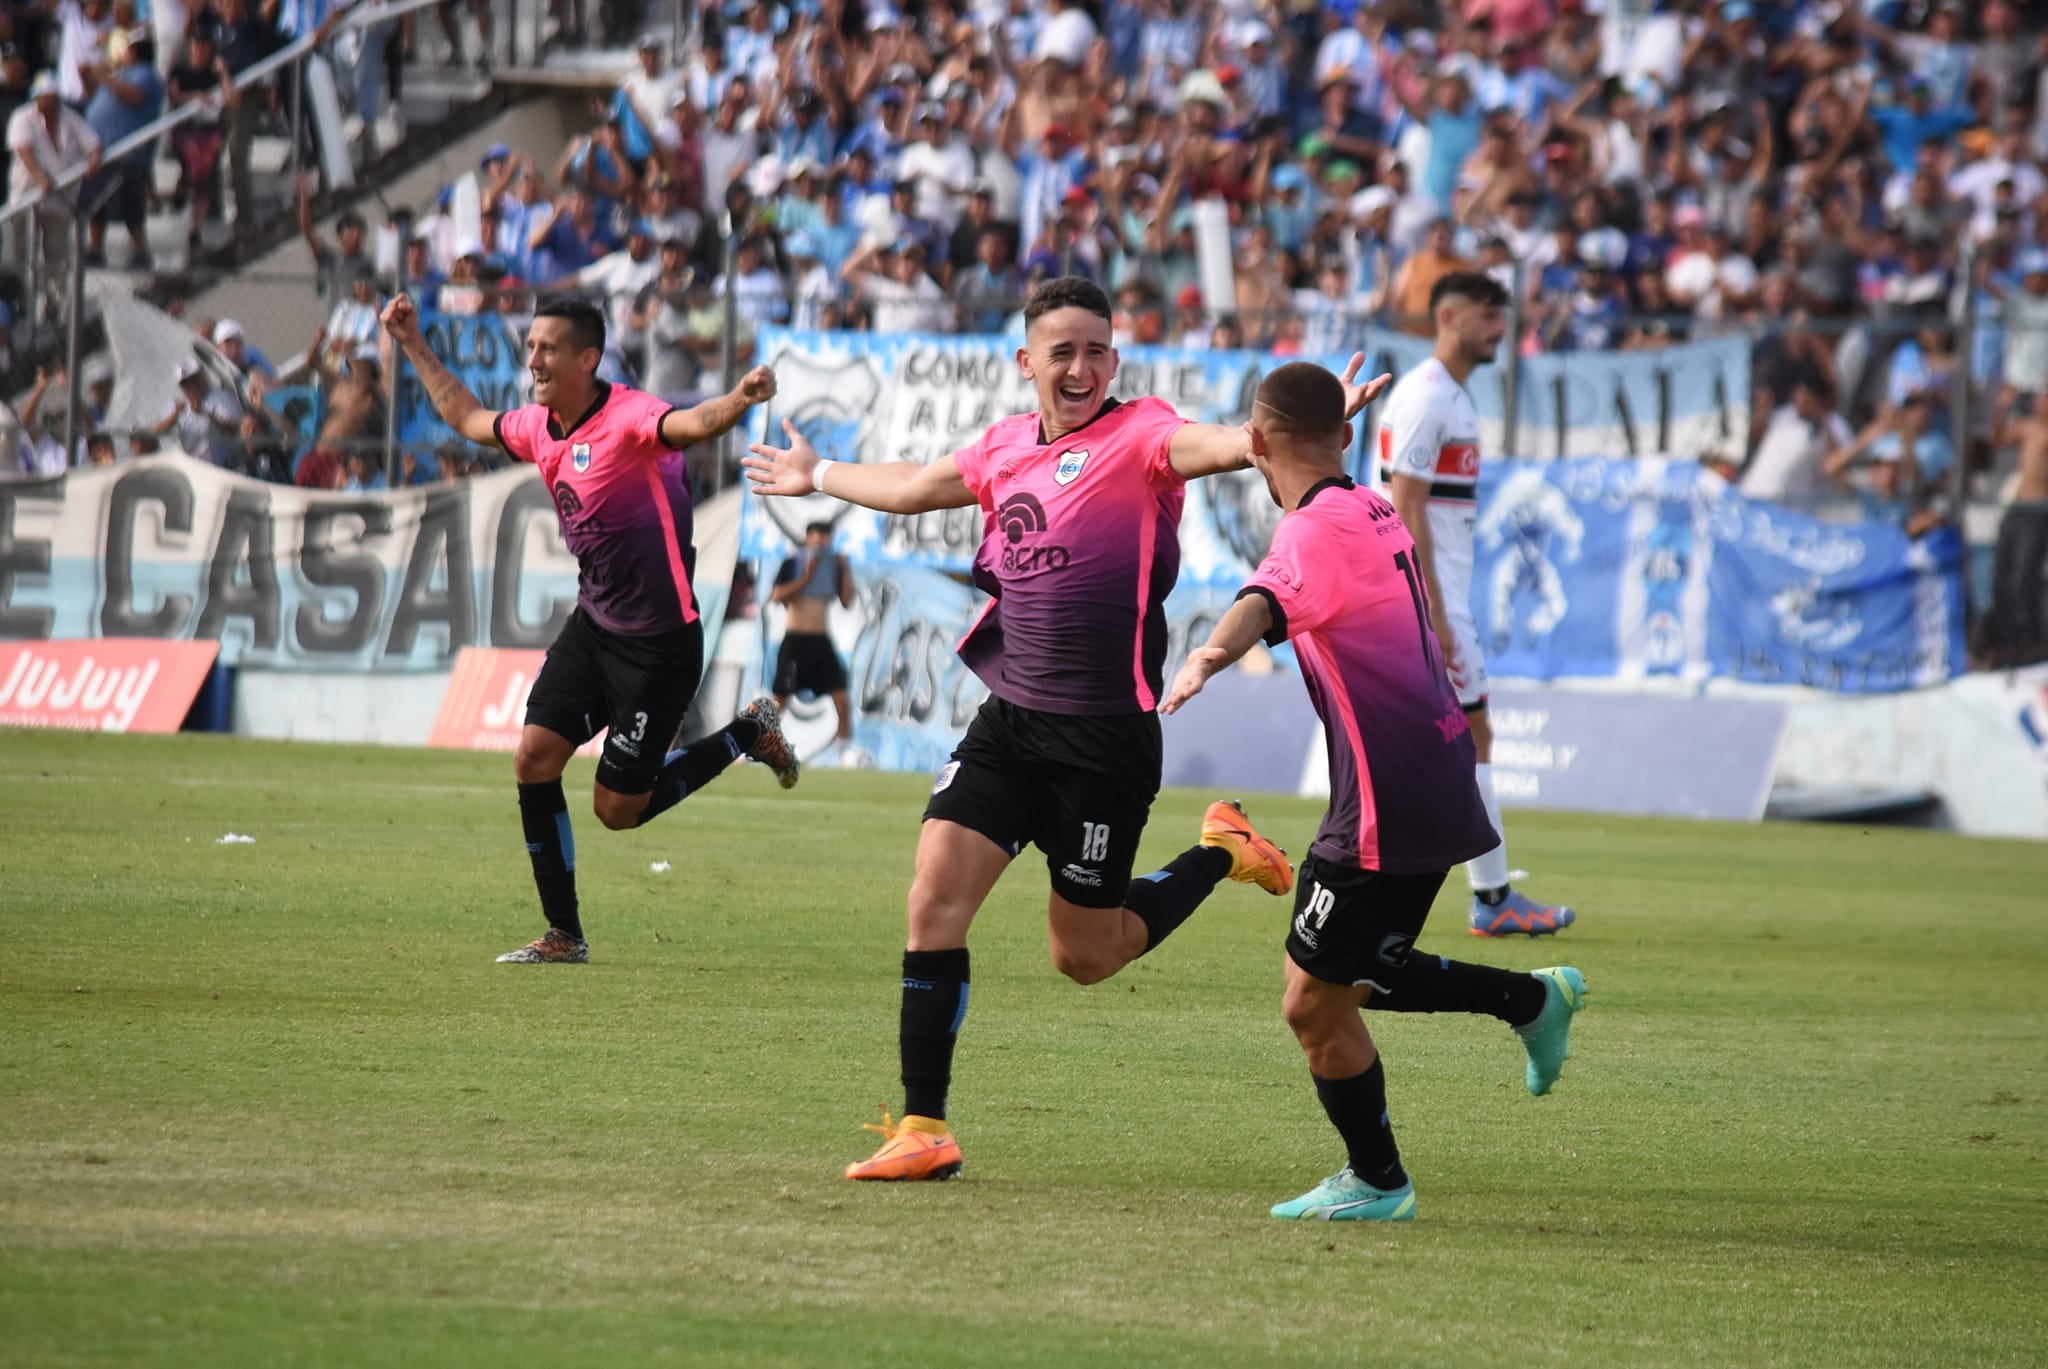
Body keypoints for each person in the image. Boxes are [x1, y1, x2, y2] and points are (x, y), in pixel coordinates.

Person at [743, 277, 1392, 1183]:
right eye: (1064, 351)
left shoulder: (1142, 436)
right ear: (1028, 364)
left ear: (1115, 360)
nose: (1082, 367)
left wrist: (1294, 439)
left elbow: (1210, 444)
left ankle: (1219, 849)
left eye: (1097, 350)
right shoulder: (1004, 447)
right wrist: (819, 476)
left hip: (1104, 742)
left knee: (1084, 955)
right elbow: (916, 485)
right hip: (1010, 722)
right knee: (933, 898)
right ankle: (924, 1126)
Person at [1162, 361, 1588, 1222]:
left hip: (1386, 801)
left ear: (1254, 443)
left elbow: (1261, 598)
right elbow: (1298, 466)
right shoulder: (1371, 506)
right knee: (1350, 974)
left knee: (1312, 1002)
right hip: (1429, 774)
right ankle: (1532, 999)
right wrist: (1307, 431)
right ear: (1347, 438)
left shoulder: (1312, 534)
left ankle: (1379, 1179)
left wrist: (1208, 653)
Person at [380, 292, 799, 965]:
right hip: (595, 624)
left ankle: (750, 730)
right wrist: (410, 339)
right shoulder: (539, 426)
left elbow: (690, 423)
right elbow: (464, 414)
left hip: (660, 646)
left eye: (548, 347)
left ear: (587, 357)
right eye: (531, 346)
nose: (534, 359)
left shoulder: (630, 416)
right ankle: (563, 935)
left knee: (617, 810)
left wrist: (742, 400)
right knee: (533, 758)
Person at [1378, 271, 1576, 937]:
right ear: (1448, 316)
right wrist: (1431, 606)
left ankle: (1470, 893)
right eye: (1489, 316)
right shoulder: (1429, 396)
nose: (1500, 328)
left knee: (1446, 743)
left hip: (1434, 594)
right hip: (1428, 599)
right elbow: (1403, 503)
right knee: (1469, 739)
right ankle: (1491, 900)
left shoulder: (1449, 397)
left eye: (1503, 316)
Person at [770, 521, 855, 751]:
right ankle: (753, 746)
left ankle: (845, 756)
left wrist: (845, 569)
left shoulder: (834, 566)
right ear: (807, 538)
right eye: (814, 536)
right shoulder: (793, 562)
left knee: (842, 702)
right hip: (795, 640)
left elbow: (847, 601)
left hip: (821, 641)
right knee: (779, 702)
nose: (819, 541)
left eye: (824, 537)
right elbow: (777, 595)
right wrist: (806, 578)